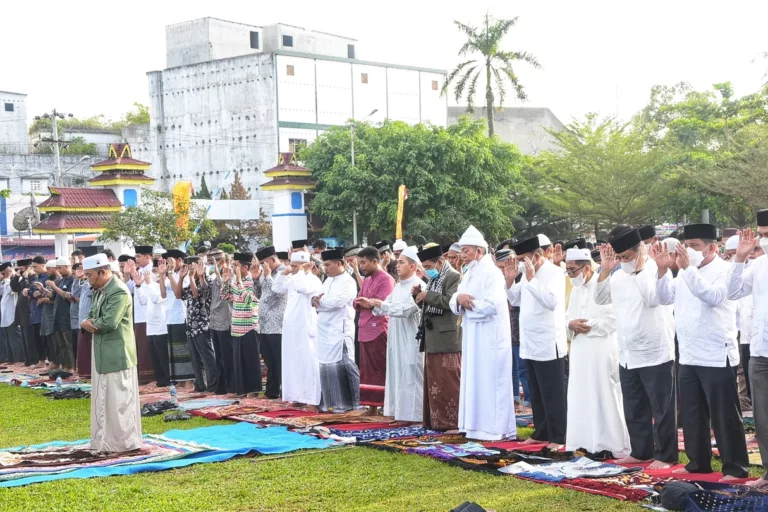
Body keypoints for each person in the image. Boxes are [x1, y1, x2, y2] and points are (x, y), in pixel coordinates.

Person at [653, 223, 748, 479]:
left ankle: (735, 467)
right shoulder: (684, 272)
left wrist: (688, 270)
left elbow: (714, 297)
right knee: (693, 414)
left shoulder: (724, 270)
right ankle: (698, 463)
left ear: (712, 247)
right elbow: (664, 298)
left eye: (694, 246)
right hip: (689, 353)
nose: (688, 251)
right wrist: (662, 271)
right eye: (686, 246)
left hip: (717, 353)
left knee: (724, 415)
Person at [595, 226, 677, 469]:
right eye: (619, 258)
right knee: (635, 406)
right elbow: (600, 299)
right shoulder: (618, 275)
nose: (622, 262)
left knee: (661, 409)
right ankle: (641, 452)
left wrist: (641, 267)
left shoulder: (656, 269)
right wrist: (606, 270)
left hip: (655, 352)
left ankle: (666, 455)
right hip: (628, 353)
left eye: (625, 257)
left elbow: (654, 299)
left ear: (638, 250)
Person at [450, 225, 516, 441]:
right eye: (462, 251)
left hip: (490, 339)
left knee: (491, 383)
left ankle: (495, 429)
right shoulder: (470, 273)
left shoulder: (492, 273)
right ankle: (475, 426)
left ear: (479, 251)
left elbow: (492, 306)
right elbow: (457, 297)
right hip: (473, 337)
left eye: (466, 251)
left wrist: (469, 303)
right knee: (475, 381)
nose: (463, 256)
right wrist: (459, 300)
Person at [562, 247, 630, 456]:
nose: (571, 275)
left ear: (587, 268)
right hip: (580, 350)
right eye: (568, 270)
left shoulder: (604, 285)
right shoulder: (576, 289)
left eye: (573, 270)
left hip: (602, 349)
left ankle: (611, 443)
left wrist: (588, 326)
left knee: (604, 395)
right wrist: (571, 324)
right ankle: (582, 441)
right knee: (580, 395)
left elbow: (613, 320)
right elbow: (566, 317)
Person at [505, 235, 567, 449]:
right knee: (536, 390)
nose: (521, 263)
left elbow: (551, 301)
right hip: (530, 342)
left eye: (523, 259)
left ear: (537, 256)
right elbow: (515, 300)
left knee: (553, 392)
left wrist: (531, 280)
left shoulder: (554, 273)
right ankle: (541, 432)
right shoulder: (525, 276)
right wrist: (510, 280)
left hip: (549, 342)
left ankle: (559, 436)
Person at [80, 253, 142, 453]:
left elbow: (108, 322)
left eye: (90, 275)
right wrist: (86, 323)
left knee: (119, 401)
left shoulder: (119, 291)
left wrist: (88, 324)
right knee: (104, 400)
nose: (88, 279)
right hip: (101, 351)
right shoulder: (99, 290)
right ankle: (104, 441)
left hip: (117, 353)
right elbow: (91, 316)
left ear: (103, 272)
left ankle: (123, 443)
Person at [726, 213, 768, 488]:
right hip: (761, 350)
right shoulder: (760, 264)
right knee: (764, 417)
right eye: (763, 234)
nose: (764, 239)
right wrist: (739, 259)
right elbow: (733, 292)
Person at [365, 246, 426, 422]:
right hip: (396, 336)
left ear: (413, 266)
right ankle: (399, 412)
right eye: (397, 262)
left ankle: (415, 415)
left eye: (401, 262)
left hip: (411, 337)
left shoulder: (419, 286)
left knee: (411, 373)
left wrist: (380, 305)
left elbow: (407, 310)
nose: (397, 265)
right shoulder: (399, 286)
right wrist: (372, 304)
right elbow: (387, 305)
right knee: (397, 372)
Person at [415, 244, 462, 430]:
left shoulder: (454, 277)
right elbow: (429, 306)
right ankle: (436, 421)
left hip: (447, 338)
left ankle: (452, 422)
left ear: (440, 262)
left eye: (428, 266)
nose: (427, 270)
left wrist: (427, 295)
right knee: (434, 383)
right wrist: (418, 296)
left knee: (448, 383)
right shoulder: (434, 279)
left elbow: (449, 302)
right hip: (432, 337)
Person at [313, 248, 360, 413]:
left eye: (328, 265)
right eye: (324, 265)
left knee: (344, 365)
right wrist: (317, 301)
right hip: (325, 329)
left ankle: (351, 404)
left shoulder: (348, 281)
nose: (325, 268)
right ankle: (330, 403)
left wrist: (320, 303)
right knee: (325, 367)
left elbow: (336, 302)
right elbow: (317, 299)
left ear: (339, 263)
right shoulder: (327, 280)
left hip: (340, 330)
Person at [273, 251, 323, 406]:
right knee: (292, 362)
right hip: (291, 329)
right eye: (292, 265)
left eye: (295, 266)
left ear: (306, 265)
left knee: (307, 362)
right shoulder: (294, 278)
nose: (292, 268)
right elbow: (276, 287)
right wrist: (285, 271)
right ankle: (296, 397)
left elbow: (302, 288)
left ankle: (311, 400)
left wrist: (300, 271)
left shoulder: (312, 280)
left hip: (305, 327)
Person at [354, 246, 395, 412]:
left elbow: (382, 304)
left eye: (363, 263)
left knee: (379, 370)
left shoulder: (386, 279)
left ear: (375, 261)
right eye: (360, 263)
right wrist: (363, 302)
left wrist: (367, 303)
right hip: (364, 329)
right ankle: (371, 406)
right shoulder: (369, 280)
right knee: (367, 371)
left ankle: (384, 406)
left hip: (378, 330)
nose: (361, 267)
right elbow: (357, 300)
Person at [221, 252, 262, 396]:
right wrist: (226, 282)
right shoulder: (235, 281)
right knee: (238, 361)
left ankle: (254, 390)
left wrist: (238, 281)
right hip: (236, 325)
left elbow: (249, 299)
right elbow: (225, 297)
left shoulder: (252, 281)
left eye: (236, 266)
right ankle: (241, 390)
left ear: (245, 267)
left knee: (250, 360)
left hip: (249, 326)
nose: (233, 269)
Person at [494, 249, 530, 407]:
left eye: (504, 266)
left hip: (521, 327)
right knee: (510, 366)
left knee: (523, 368)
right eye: (500, 267)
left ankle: (529, 399)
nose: (503, 270)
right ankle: (514, 396)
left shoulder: (524, 275)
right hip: (506, 328)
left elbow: (515, 301)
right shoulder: (497, 278)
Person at [254, 246, 288, 399]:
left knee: (279, 360)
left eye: (263, 262)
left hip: (277, 325)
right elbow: (259, 295)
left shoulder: (284, 272)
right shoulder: (267, 274)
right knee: (269, 360)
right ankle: (271, 390)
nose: (262, 266)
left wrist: (267, 277)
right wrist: (256, 280)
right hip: (264, 325)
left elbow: (275, 293)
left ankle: (279, 390)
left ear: (272, 259)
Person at [182, 257, 219, 393]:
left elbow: (198, 294)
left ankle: (213, 384)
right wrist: (181, 278)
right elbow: (179, 294)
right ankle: (200, 384)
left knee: (207, 356)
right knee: (195, 358)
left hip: (203, 324)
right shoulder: (192, 280)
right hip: (191, 325)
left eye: (194, 267)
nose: (191, 270)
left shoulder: (207, 280)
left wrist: (193, 278)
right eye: (190, 267)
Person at [159, 250, 194, 383]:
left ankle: (189, 380)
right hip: (170, 317)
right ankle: (179, 379)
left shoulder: (184, 273)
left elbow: (177, 293)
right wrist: (163, 275)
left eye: (171, 260)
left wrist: (170, 273)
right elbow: (163, 294)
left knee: (183, 349)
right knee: (174, 351)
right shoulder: (170, 274)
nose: (168, 263)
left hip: (181, 315)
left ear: (179, 260)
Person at [136, 260, 170, 387]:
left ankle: (168, 379)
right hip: (151, 326)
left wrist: (149, 282)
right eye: (153, 271)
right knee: (155, 356)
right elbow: (143, 301)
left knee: (163, 355)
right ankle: (161, 380)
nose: (152, 274)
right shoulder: (150, 285)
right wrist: (139, 286)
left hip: (162, 325)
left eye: (155, 271)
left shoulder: (164, 284)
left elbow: (156, 299)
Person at [126, 246, 156, 385]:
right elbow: (130, 289)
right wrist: (129, 274)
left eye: (138, 256)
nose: (136, 259)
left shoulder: (153, 271)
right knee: (140, 346)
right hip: (138, 314)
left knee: (147, 348)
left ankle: (150, 377)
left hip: (149, 315)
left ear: (148, 256)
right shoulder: (139, 271)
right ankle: (143, 377)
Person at [209, 250, 235, 394]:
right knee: (218, 356)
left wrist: (220, 276)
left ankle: (230, 386)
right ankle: (221, 387)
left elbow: (225, 295)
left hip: (226, 320)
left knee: (227, 356)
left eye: (219, 260)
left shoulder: (229, 275)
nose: (217, 264)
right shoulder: (214, 276)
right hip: (214, 320)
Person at [45, 258, 75, 371]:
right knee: (61, 344)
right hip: (58, 316)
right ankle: (65, 365)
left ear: (67, 266)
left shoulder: (72, 280)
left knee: (69, 344)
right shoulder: (61, 280)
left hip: (67, 316)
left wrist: (54, 287)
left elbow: (67, 296)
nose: (59, 270)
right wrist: (43, 290)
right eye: (57, 268)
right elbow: (53, 296)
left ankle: (72, 366)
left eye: (60, 268)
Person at [11, 259, 35, 366]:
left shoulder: (33, 277)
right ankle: (27, 360)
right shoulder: (22, 278)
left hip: (29, 310)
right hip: (21, 310)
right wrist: (16, 276)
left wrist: (25, 277)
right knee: (24, 336)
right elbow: (14, 288)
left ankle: (33, 360)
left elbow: (29, 287)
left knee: (30, 337)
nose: (20, 270)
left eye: (21, 268)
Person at [72, 264, 93, 379]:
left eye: (88, 274)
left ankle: (90, 373)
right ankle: (84, 373)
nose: (87, 276)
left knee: (89, 349)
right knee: (83, 349)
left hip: (90, 321)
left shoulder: (94, 286)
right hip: (82, 321)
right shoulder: (85, 284)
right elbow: (75, 294)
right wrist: (77, 278)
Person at [0, 263, 23, 363]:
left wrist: (8, 277)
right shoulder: (4, 282)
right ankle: (11, 359)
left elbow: (11, 290)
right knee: (8, 340)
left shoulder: (15, 280)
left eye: (3, 273)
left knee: (15, 339)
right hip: (5, 316)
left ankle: (19, 359)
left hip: (12, 315)